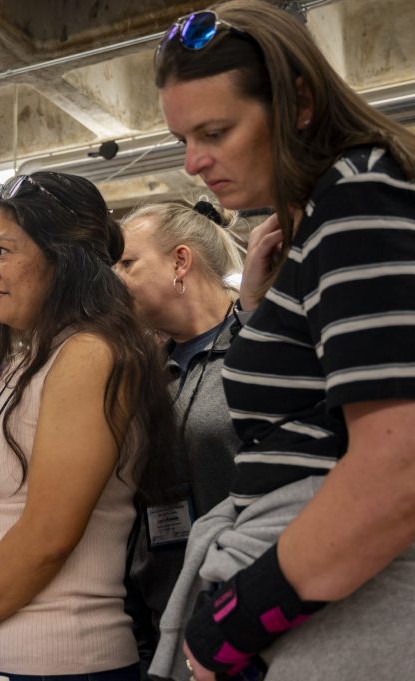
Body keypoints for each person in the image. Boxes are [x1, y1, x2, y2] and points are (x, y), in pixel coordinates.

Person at [150, 2, 415, 680]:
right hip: (322, 586)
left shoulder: (356, 198)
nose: (195, 162)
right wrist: (262, 308)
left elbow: (398, 468)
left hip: (353, 593)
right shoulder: (320, 217)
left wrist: (238, 619)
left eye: (215, 130)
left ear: (298, 103)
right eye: (183, 136)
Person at [0, 172, 176, 681]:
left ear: (63, 259)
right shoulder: (26, 357)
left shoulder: (89, 355)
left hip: (57, 659)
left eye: (4, 251)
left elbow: (47, 535)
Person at [114, 200, 244, 668]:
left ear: (180, 261)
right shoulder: (144, 371)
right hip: (156, 614)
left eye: (128, 262)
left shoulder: (259, 351)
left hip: (241, 613)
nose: (115, 277)